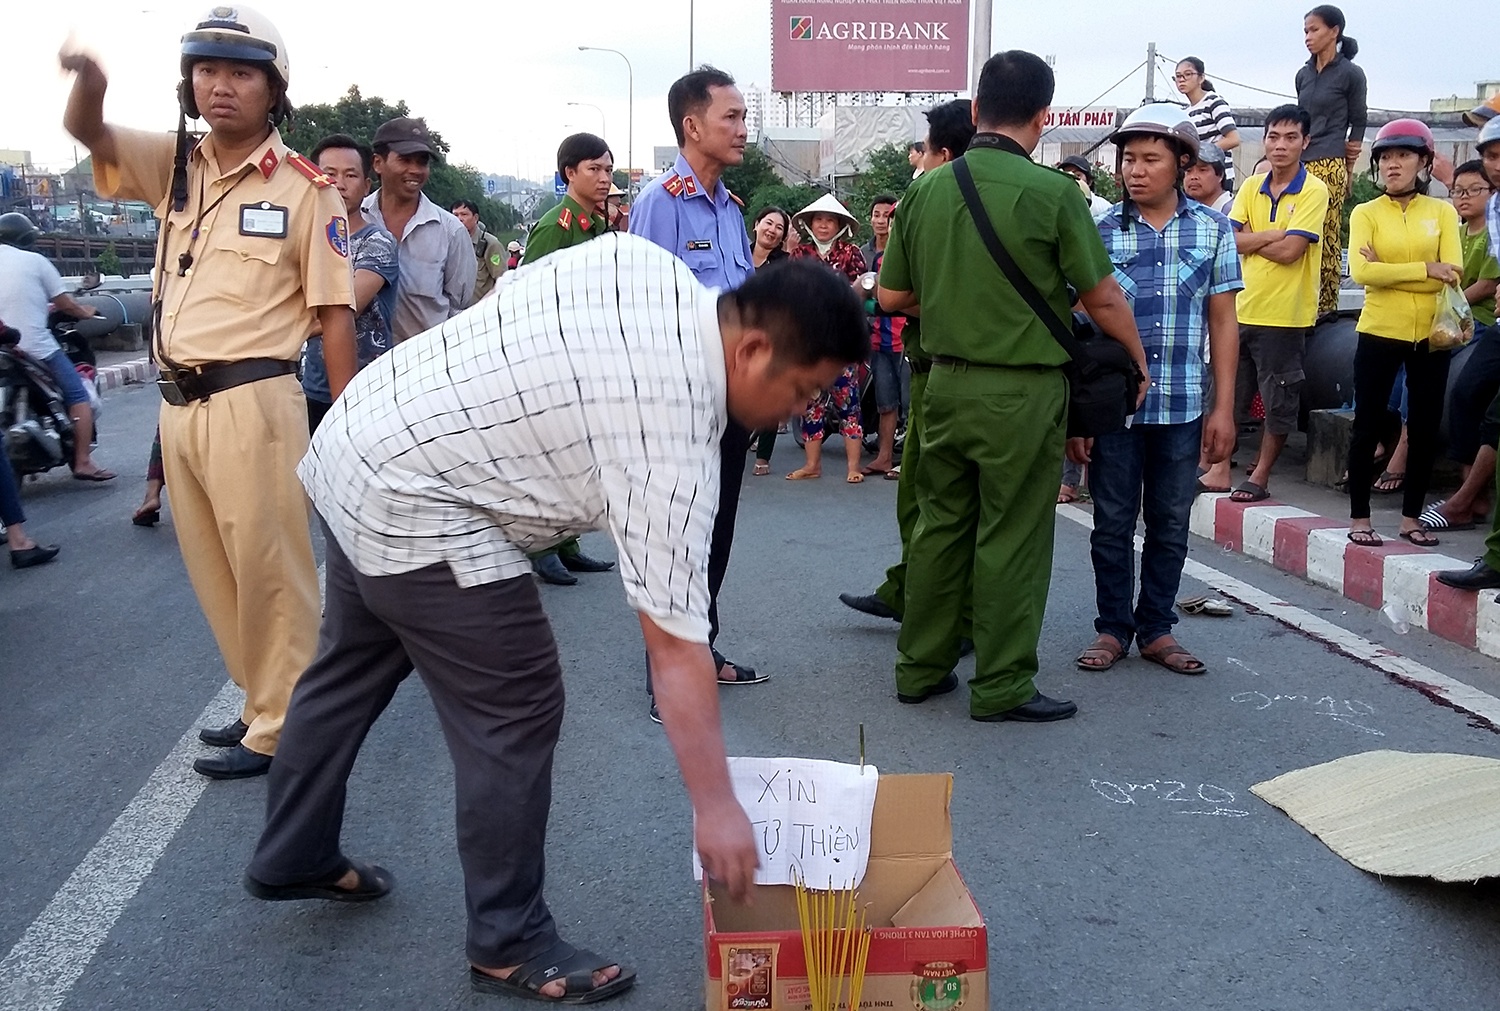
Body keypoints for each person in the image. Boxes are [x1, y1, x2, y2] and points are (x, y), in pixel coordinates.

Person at [244, 238, 868, 999]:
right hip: (424, 502)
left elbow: (510, 299)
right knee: (516, 703)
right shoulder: (672, 434)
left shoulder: (650, 266)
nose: (803, 411)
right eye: (803, 391)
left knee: (349, 664)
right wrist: (717, 807)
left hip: (366, 432)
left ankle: (292, 850)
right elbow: (675, 651)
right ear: (755, 347)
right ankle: (508, 941)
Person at [61, 6, 358, 780]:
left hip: (254, 401)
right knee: (216, 570)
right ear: (189, 85)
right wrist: (88, 86)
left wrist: (350, 419)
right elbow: (89, 132)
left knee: (270, 569)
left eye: (241, 73)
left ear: (273, 89)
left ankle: (286, 723)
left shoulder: (307, 191)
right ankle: (264, 698)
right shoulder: (174, 166)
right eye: (207, 71)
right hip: (179, 405)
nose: (221, 86)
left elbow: (333, 313)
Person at [877, 51, 1148, 722]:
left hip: (940, 387)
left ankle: (919, 668)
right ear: (1043, 117)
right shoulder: (1055, 193)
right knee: (1013, 535)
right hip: (1021, 396)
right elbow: (1102, 298)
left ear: (974, 113)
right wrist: (1137, 363)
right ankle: (1000, 685)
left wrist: (954, 298)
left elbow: (891, 294)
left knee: (939, 527)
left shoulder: (925, 191)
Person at [1076, 105, 1241, 677]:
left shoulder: (1214, 230)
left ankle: (1157, 628)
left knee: (1170, 520)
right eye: (1128, 159)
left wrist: (1224, 408)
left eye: (1151, 158)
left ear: (1182, 164)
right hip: (1116, 407)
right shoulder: (1099, 231)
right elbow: (1080, 320)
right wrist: (1078, 420)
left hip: (1185, 403)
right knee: (1112, 520)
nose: (1136, 170)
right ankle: (1112, 628)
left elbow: (1223, 321)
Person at [630, 66, 764, 717]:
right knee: (673, 539)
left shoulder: (729, 209)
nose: (744, 127)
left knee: (716, 531)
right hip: (676, 402)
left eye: (743, 116)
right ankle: (668, 673)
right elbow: (639, 309)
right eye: (731, 117)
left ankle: (702, 650)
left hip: (730, 400)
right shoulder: (661, 202)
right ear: (692, 125)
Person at [839, 97, 975, 622]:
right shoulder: (1013, 194)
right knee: (924, 500)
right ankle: (910, 592)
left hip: (944, 367)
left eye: (921, 153)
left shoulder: (929, 199)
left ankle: (947, 616)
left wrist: (879, 290)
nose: (916, 164)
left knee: (939, 504)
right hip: (940, 367)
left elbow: (894, 295)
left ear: (941, 152)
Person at [1203, 105, 1329, 501]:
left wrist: (1256, 237)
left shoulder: (1314, 190)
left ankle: (1260, 475)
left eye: (1291, 138)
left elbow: (1293, 251)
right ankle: (1220, 468)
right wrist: (1271, 236)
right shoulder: (1250, 187)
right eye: (1274, 137)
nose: (1280, 145)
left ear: (1305, 142)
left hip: (1284, 315)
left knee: (1278, 399)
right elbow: (1230, 240)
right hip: (1240, 307)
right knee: (1226, 395)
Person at [1344, 119, 1460, 548]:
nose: (1393, 165)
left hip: (1433, 333)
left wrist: (1391, 272)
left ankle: (1411, 518)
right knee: (1368, 424)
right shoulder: (1365, 212)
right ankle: (1360, 517)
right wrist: (1425, 268)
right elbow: (1361, 272)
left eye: (1404, 156)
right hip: (1378, 330)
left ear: (1424, 161)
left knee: (1425, 427)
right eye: (1386, 157)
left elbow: (1452, 273)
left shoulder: (1442, 211)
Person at [519, 132, 619, 586]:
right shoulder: (555, 227)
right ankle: (540, 546)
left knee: (578, 456)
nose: (603, 178)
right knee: (548, 454)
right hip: (551, 357)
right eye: (594, 169)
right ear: (569, 174)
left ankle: (566, 542)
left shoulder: (596, 226)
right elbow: (527, 296)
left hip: (585, 355)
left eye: (608, 170)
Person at [0, 212, 114, 481]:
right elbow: (64, 304)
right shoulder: (36, 261)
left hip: (3, 344)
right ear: (26, 238)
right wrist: (84, 312)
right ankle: (84, 461)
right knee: (78, 395)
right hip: (31, 346)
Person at [1421, 158, 1500, 532]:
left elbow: (1485, 283)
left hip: (1479, 321)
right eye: (1491, 155)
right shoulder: (1492, 213)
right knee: (1467, 393)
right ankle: (1470, 497)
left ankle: (1467, 499)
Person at [302, 134, 399, 433]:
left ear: (367, 185)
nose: (339, 184)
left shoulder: (378, 242)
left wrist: (277, 327)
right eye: (329, 174)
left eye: (351, 175)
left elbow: (346, 306)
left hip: (368, 390)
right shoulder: (303, 240)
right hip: (312, 388)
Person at [362, 117, 474, 341]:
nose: (415, 170)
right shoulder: (354, 219)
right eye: (404, 160)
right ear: (377, 163)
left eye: (422, 162)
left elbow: (458, 309)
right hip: (361, 367)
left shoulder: (451, 232)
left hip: (426, 365)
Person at [787, 194, 867, 483]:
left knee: (849, 403)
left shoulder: (851, 252)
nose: (823, 225)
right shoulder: (799, 254)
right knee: (810, 405)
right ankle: (812, 464)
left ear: (839, 225)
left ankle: (853, 467)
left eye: (829, 220)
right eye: (819, 219)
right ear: (810, 224)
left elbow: (859, 290)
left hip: (842, 342)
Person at [1296, 4, 1368, 319]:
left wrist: (1350, 166)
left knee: (1325, 230)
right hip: (1301, 159)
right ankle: (1300, 299)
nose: (1309, 37)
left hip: (1331, 160)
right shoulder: (1303, 74)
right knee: (1297, 230)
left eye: (1314, 30)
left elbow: (1359, 120)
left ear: (1334, 31)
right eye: (1306, 31)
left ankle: (1325, 304)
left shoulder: (1351, 73)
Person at [859, 194, 909, 476]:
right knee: (885, 402)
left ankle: (910, 461)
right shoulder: (875, 258)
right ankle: (884, 456)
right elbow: (867, 296)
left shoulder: (911, 253)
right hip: (879, 338)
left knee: (909, 404)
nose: (885, 223)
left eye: (890, 218)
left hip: (906, 340)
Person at [749, 205, 792, 476]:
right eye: (768, 223)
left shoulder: (784, 263)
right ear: (756, 224)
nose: (772, 230)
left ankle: (763, 456)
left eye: (779, 228)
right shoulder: (735, 251)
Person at [1174, 57, 1240, 188]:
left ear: (1201, 78)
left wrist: (1200, 154)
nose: (1182, 79)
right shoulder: (1185, 112)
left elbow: (1233, 139)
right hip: (1194, 178)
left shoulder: (1213, 101)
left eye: (1188, 74)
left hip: (1217, 176)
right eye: (1178, 76)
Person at [451, 198, 506, 303]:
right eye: (455, 215)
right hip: (456, 312)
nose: (459, 219)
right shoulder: (449, 244)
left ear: (475, 218)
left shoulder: (490, 244)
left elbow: (502, 280)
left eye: (464, 214)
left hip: (483, 310)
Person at [1184, 142, 1234, 215]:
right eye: (1188, 170)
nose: (1193, 177)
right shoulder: (1183, 211)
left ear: (1220, 175)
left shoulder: (1234, 213)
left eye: (1202, 170)